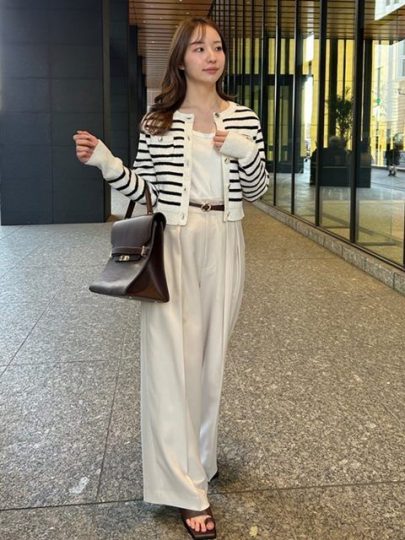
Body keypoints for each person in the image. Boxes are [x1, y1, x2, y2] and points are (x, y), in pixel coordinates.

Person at [73, 17, 268, 539]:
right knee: (171, 365)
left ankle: (200, 459)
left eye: (217, 47)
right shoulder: (157, 121)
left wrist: (242, 150)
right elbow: (146, 193)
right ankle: (185, 489)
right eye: (199, 48)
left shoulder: (243, 118)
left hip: (225, 240)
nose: (212, 56)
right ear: (181, 58)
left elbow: (258, 189)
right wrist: (106, 162)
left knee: (209, 363)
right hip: (175, 242)